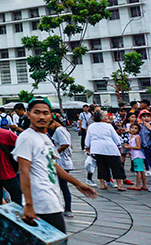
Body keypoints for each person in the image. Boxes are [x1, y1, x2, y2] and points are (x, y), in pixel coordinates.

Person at [14, 97, 97, 233]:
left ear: (51, 116)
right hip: (39, 205)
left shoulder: (45, 138)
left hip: (52, 202)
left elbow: (53, 165)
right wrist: (28, 204)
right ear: (28, 114)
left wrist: (78, 183)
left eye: (45, 113)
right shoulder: (26, 138)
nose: (42, 117)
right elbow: (23, 170)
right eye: (37, 112)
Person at [85, 110, 126, 190]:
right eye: (106, 116)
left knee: (101, 166)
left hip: (97, 148)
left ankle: (102, 184)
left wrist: (87, 147)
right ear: (101, 118)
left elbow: (88, 138)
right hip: (110, 148)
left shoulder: (91, 126)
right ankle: (119, 185)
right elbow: (115, 137)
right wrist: (119, 145)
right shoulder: (108, 126)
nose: (107, 117)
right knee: (116, 167)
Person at [48, 117, 74, 216]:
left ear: (54, 122)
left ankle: (66, 209)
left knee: (61, 186)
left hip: (61, 161)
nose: (49, 128)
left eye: (49, 125)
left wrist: (54, 153)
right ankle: (66, 208)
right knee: (62, 186)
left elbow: (65, 144)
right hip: (65, 161)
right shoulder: (64, 129)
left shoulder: (59, 130)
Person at [125, 123, 148, 190]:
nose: (133, 130)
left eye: (136, 128)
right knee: (141, 170)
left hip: (137, 155)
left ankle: (138, 185)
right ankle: (144, 185)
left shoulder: (137, 137)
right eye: (132, 128)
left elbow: (138, 147)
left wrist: (129, 147)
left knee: (138, 171)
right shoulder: (131, 136)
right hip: (135, 155)